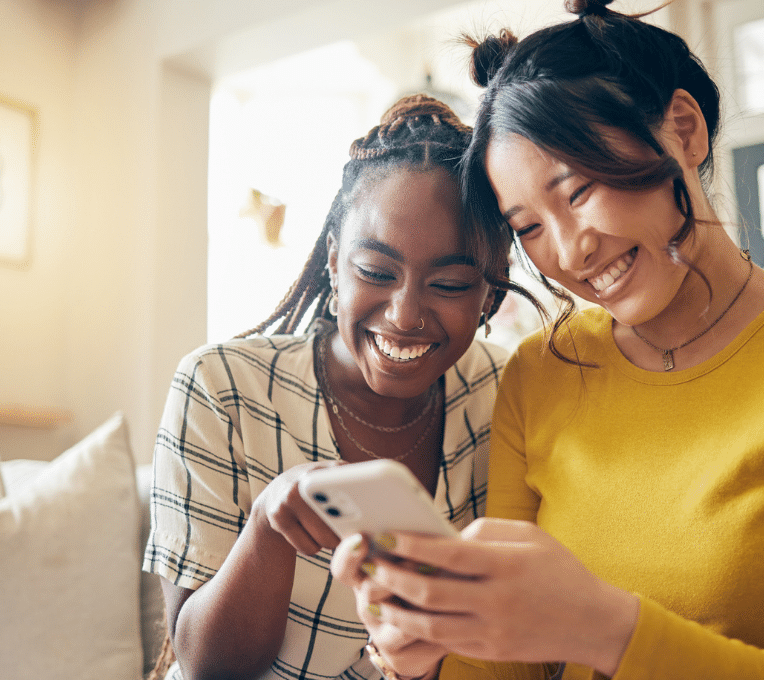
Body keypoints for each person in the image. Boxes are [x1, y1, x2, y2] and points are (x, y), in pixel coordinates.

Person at [329, 3, 764, 679]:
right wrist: (422, 657)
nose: (570, 252)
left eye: (579, 189)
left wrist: (603, 627)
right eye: (530, 227)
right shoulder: (542, 371)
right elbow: (501, 669)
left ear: (683, 131)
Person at [143, 94, 535, 680]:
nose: (404, 316)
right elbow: (208, 666)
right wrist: (268, 527)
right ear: (332, 261)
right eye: (375, 273)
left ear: (492, 294)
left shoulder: (504, 394)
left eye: (449, 283)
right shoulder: (221, 388)